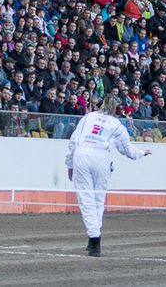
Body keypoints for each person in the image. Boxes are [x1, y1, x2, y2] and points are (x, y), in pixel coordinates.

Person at [65, 94, 152, 257]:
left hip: (82, 154)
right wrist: (141, 153)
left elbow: (73, 141)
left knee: (86, 199)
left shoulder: (88, 117)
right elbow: (127, 149)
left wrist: (69, 164)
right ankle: (95, 239)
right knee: (98, 200)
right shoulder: (117, 125)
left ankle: (94, 238)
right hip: (101, 157)